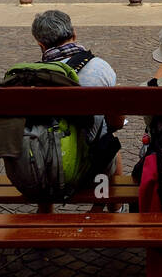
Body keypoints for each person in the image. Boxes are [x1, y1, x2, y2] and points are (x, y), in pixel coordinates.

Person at [31, 9, 124, 175]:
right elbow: (116, 123)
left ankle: (46, 201)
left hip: (47, 164)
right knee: (111, 141)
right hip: (92, 162)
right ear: (74, 34)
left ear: (41, 45)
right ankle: (108, 200)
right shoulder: (101, 67)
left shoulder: (32, 76)